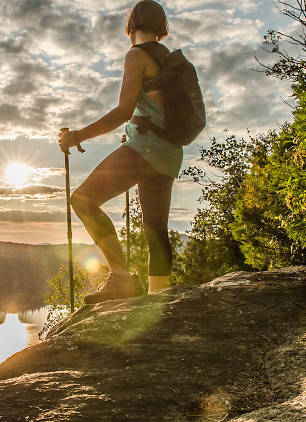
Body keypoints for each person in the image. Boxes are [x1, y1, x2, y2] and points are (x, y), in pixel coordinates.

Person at [58, 0, 184, 304]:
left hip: (145, 149)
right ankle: (159, 298)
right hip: (169, 152)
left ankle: (121, 279)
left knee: (83, 200)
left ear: (131, 27)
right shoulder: (170, 60)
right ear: (161, 28)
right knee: (155, 228)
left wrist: (78, 136)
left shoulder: (136, 55)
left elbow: (123, 111)